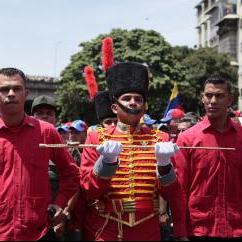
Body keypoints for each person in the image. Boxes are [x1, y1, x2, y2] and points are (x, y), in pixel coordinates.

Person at [80, 62, 187, 241]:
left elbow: (173, 194)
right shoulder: (96, 139)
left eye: (138, 99)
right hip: (108, 228)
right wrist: (106, 164)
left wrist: (164, 167)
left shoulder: (160, 139)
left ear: (144, 107)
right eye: (127, 98)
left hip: (147, 230)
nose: (133, 103)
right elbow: (89, 192)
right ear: (115, 107)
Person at [0, 67, 80, 241]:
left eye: (17, 88)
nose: (11, 93)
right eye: (4, 89)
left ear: (26, 93)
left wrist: (59, 204)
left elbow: (71, 173)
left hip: (39, 232)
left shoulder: (46, 132)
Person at [174, 75, 242, 240]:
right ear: (202, 98)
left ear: (229, 100)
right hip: (199, 228)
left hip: (237, 227)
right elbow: (180, 188)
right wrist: (180, 232)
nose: (213, 101)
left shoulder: (240, 136)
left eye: (219, 96)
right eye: (208, 95)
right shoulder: (187, 138)